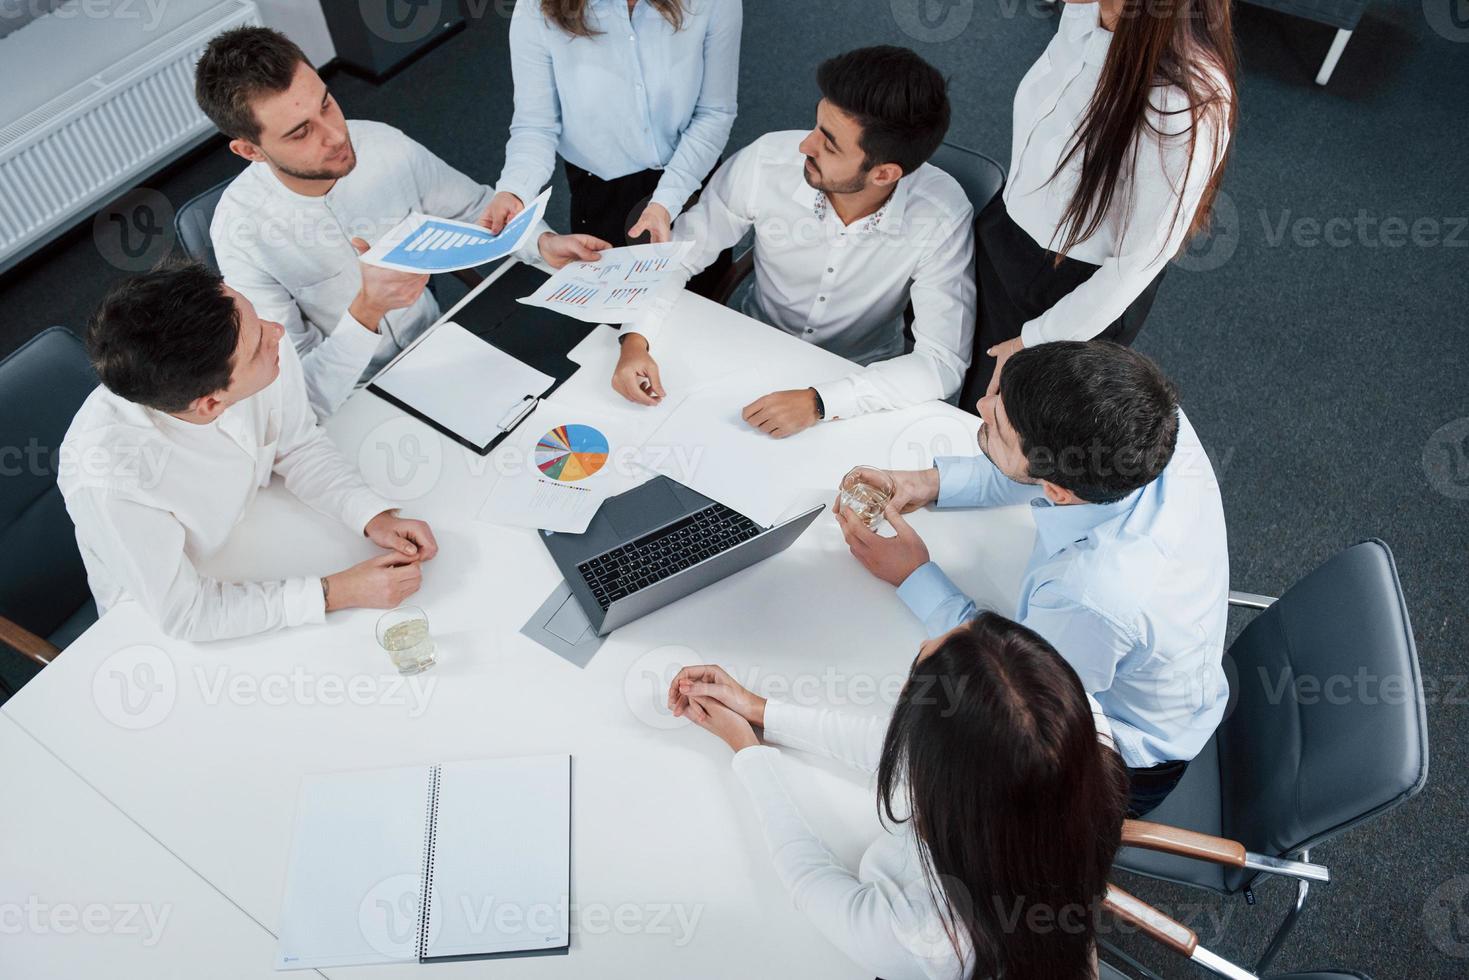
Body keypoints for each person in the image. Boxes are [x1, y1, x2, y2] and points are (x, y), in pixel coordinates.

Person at [835, 342, 1228, 816]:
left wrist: (914, 574)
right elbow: (1035, 467)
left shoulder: (1091, 595)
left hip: (1121, 762)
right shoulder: (1151, 420)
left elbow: (1014, 680)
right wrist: (929, 483)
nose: (980, 405)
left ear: (1059, 493)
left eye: (996, 424)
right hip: (1172, 678)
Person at [667, 613, 1130, 980]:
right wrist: (760, 709)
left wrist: (747, 751)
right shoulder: (1079, 727)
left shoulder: (923, 938)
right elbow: (909, 747)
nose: (927, 644)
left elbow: (810, 881)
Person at [195, 26, 609, 418]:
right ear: (250, 150)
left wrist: (539, 241)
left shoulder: (381, 145)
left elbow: (475, 208)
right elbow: (297, 393)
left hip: (442, 342)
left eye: (326, 104)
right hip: (350, 397)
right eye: (301, 132)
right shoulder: (241, 234)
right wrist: (366, 312)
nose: (337, 135)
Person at [58, 262, 438, 642]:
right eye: (259, 344)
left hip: (255, 539)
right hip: (169, 618)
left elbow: (298, 444)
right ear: (210, 403)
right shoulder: (108, 479)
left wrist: (371, 515)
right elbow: (188, 614)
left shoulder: (249, 334)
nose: (277, 332)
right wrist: (337, 591)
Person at [611, 46, 976, 439]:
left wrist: (820, 402)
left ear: (884, 174)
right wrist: (635, 339)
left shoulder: (941, 212)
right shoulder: (767, 161)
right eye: (816, 126)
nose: (805, 145)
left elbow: (941, 363)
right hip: (750, 344)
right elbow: (675, 257)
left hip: (861, 378)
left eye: (830, 144)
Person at [969, 0, 1236, 401]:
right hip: (1006, 237)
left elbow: (1137, 264)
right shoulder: (1085, 14)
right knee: (962, 392)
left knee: (1009, 427)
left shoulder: (1185, 101)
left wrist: (1037, 340)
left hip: (1069, 295)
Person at [484, 0, 741, 261]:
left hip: (693, 170)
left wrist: (667, 200)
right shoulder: (535, 8)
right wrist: (515, 189)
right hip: (602, 195)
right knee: (618, 297)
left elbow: (714, 113)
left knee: (705, 293)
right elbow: (536, 126)